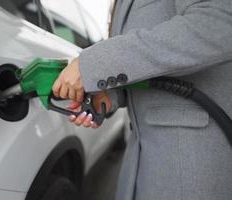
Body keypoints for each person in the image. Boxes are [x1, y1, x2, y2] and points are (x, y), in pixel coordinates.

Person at [52, 0, 232, 199]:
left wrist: (94, 64)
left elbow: (218, 23)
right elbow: (146, 69)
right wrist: (110, 96)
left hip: (191, 161)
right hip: (142, 157)